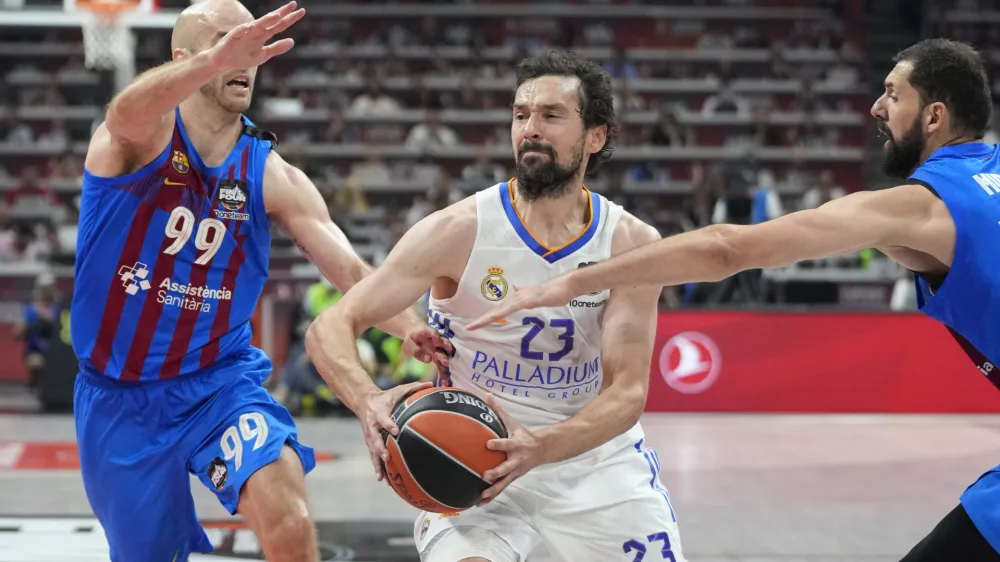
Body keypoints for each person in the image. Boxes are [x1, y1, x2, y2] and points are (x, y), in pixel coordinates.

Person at [467, 38, 1000, 561]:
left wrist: (577, 280)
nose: (876, 107)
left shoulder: (923, 207)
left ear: (934, 116)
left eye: (893, 94)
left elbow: (727, 248)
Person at [70, 2, 446, 561]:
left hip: (218, 383)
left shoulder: (271, 173)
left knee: (289, 517)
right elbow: (124, 110)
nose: (245, 55)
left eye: (251, 45)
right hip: (118, 397)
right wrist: (214, 60)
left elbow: (350, 271)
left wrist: (410, 329)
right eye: (228, 41)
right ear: (184, 57)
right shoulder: (137, 139)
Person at [305, 50, 685, 562]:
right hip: (472, 458)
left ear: (595, 136)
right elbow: (330, 326)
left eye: (551, 115)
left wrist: (542, 448)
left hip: (591, 462)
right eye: (521, 114)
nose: (531, 128)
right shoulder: (458, 230)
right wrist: (367, 399)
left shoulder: (630, 243)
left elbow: (628, 392)